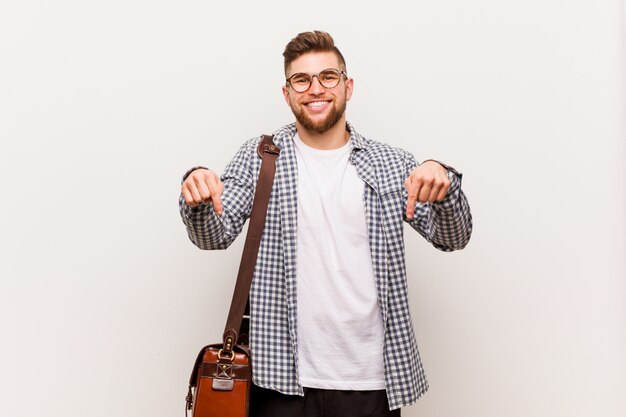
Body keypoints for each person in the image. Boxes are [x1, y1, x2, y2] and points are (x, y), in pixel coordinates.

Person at [179, 30, 472, 417]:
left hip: (371, 381)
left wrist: (444, 180)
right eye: (301, 79)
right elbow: (213, 236)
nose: (315, 88)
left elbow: (453, 237)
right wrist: (197, 192)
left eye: (328, 77)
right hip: (279, 380)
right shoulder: (261, 158)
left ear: (348, 86)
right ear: (287, 93)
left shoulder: (392, 163)